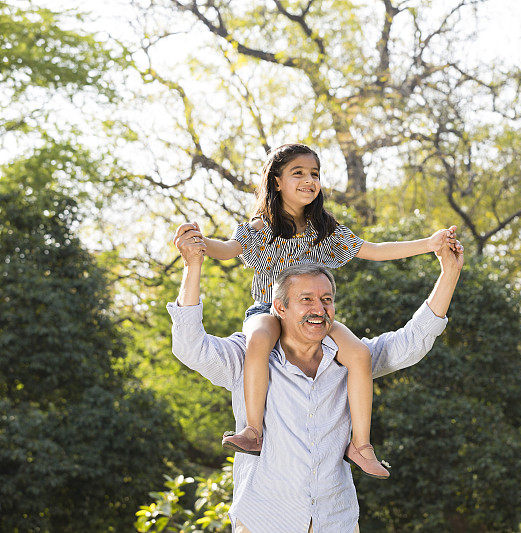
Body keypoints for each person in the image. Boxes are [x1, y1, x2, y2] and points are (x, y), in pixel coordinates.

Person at [169, 220, 464, 532]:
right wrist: (193, 266)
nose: (319, 309)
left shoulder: (348, 362)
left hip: (335, 521)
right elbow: (190, 346)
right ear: (279, 308)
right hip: (265, 522)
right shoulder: (247, 359)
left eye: (326, 300)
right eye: (306, 299)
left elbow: (411, 342)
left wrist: (450, 273)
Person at [189, 143, 457, 479]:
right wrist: (200, 244)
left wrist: (429, 244)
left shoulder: (324, 229)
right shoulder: (262, 227)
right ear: (276, 182)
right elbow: (228, 249)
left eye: (314, 174)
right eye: (298, 173)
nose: (308, 180)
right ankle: (253, 431)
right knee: (256, 341)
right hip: (271, 309)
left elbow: (372, 250)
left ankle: (360, 445)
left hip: (316, 315)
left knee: (359, 353)